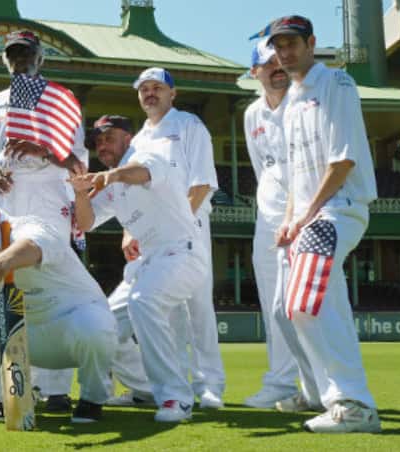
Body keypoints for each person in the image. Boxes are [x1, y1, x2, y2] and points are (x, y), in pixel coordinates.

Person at [268, 15, 380, 433]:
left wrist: (307, 214)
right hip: (313, 214)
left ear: (311, 43)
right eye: (278, 45)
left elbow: (342, 161)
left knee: (307, 301)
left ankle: (354, 404)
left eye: (292, 43)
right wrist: (290, 219)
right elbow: (300, 173)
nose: (284, 52)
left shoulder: (337, 84)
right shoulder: (292, 101)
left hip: (340, 207)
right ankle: (332, 398)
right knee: (295, 307)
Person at [0, 29, 87, 410]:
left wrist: (42, 150)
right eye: (13, 54)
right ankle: (19, 387)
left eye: (27, 54)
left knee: (52, 292)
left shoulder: (61, 100)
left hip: (49, 199)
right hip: (8, 201)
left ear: (41, 58)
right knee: (12, 292)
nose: (20, 60)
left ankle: (57, 390)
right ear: (5, 60)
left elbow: (76, 159)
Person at [70, 115, 209, 423]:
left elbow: (141, 173)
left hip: (182, 253)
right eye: (98, 141)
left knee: (143, 302)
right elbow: (86, 222)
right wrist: (81, 192)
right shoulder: (111, 181)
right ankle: (144, 388)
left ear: (128, 138)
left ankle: (176, 397)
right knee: (104, 326)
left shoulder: (147, 155)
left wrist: (111, 176)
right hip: (146, 262)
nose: (102, 145)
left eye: (110, 137)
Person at [0, 192, 117, 424]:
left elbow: (33, 247)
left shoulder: (29, 226)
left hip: (74, 328)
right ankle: (10, 398)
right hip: (30, 335)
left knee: (94, 324)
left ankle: (92, 400)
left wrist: (0, 261)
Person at [118, 67, 225, 409]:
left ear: (172, 94)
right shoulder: (137, 141)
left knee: (197, 306)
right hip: (151, 235)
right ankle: (175, 381)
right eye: (144, 88)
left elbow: (202, 181)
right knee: (165, 310)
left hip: (189, 226)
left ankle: (209, 385)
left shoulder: (189, 125)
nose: (150, 93)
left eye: (157, 88)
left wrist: (181, 222)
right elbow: (127, 192)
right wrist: (127, 231)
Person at [242, 40, 302, 409]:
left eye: (279, 61)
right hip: (267, 222)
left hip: (304, 216)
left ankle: (320, 384)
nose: (276, 67)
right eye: (267, 63)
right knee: (272, 305)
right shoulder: (252, 115)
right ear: (255, 72)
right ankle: (281, 382)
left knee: (301, 305)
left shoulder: (304, 103)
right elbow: (262, 167)